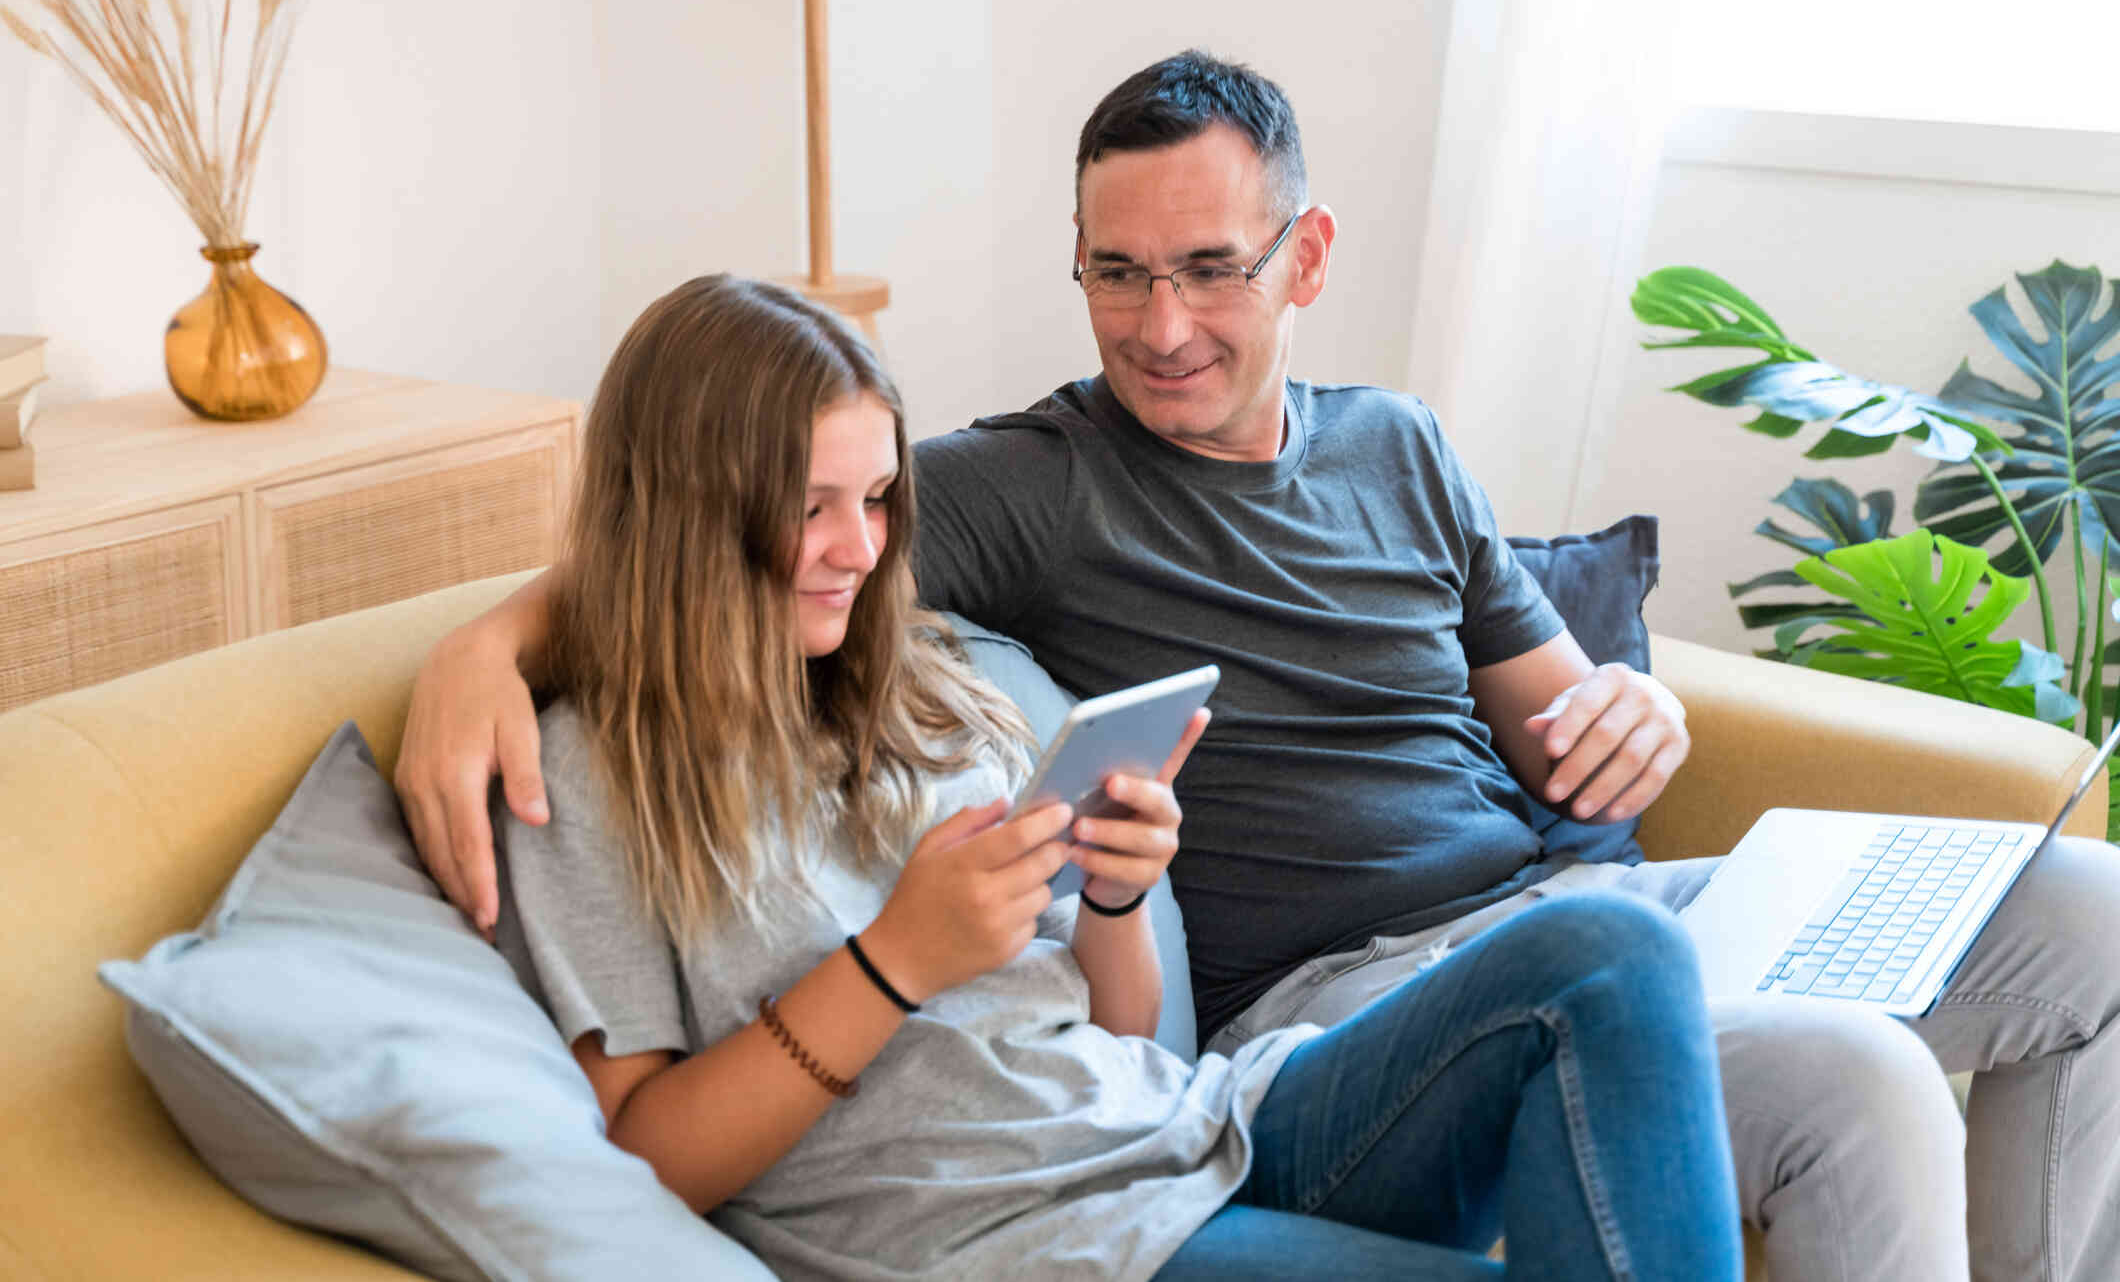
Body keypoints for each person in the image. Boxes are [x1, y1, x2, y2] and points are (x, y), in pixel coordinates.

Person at [400, 53, 2120, 1282]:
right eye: (1119, 272)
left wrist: (1641, 702)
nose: (1160, 323)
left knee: (2087, 909)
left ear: (1304, 257)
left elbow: (1126, 1021)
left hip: (1262, 1074)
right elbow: (685, 560)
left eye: (1210, 268)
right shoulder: (1020, 495)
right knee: (1816, 1050)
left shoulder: (1366, 464)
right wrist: (489, 640)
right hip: (1307, 1042)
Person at [490, 271, 1742, 1280]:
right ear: (684, 506)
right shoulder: (590, 773)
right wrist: (892, 965)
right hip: (1014, 1239)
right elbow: (640, 1166)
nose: (857, 550)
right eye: (811, 506)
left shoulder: (926, 693)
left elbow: (1115, 1034)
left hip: (1190, 1129)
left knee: (1610, 951)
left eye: (875, 499)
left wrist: (1114, 897)